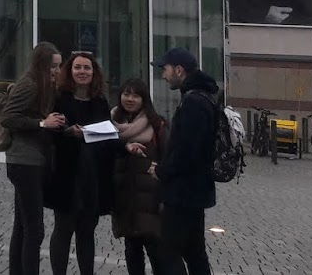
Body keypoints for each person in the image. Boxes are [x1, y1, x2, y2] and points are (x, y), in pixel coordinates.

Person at [0, 41, 68, 275]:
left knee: (22, 226)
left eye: (59, 66)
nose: (57, 71)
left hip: (32, 160)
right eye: (53, 66)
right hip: (24, 162)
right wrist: (42, 123)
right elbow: (8, 118)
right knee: (34, 230)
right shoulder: (29, 85)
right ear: (41, 65)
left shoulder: (44, 85)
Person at [45, 51, 115, 275]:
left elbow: (109, 135)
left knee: (87, 232)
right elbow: (50, 133)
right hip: (66, 174)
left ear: (94, 73)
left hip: (93, 176)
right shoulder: (59, 99)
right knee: (63, 229)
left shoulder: (100, 102)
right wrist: (68, 132)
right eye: (78, 67)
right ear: (70, 71)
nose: (82, 72)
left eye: (87, 68)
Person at [152, 47, 219, 275]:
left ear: (179, 70)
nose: (163, 75)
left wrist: (161, 171)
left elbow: (185, 152)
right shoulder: (203, 96)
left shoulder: (194, 102)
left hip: (183, 193)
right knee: (194, 252)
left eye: (165, 69)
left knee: (168, 253)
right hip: (196, 190)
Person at [111, 78, 168, 275]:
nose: (130, 99)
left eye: (136, 95)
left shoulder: (157, 125)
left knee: (156, 250)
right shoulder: (111, 124)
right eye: (126, 94)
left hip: (151, 198)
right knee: (132, 249)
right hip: (125, 196)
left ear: (144, 99)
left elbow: (167, 158)